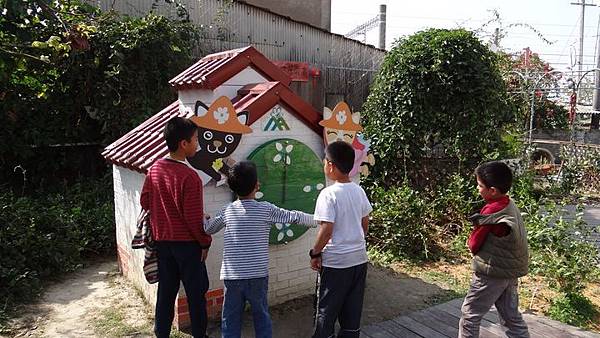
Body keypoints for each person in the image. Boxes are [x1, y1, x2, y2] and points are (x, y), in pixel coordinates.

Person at [204, 160, 317, 338]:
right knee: (261, 315)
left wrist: (205, 218)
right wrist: (318, 219)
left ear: (232, 187)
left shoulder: (228, 211)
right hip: (257, 276)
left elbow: (209, 229)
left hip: (233, 277)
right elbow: (293, 217)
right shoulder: (266, 210)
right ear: (257, 185)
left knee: (230, 319)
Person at [140, 117, 212, 338]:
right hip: (188, 247)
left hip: (163, 244)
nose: (197, 144)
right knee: (196, 295)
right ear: (183, 143)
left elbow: (145, 201)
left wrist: (165, 212)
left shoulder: (154, 169)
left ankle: (161, 334)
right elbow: (191, 220)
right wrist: (205, 242)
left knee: (166, 294)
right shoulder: (190, 177)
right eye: (195, 139)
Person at [459, 161, 530, 338]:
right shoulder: (508, 203)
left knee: (470, 315)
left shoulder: (491, 211)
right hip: (509, 272)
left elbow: (474, 244)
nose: (477, 188)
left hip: (491, 273)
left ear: (492, 190)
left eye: (480, 185)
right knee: (511, 317)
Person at [310, 141, 372, 338]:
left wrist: (315, 252)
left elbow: (327, 229)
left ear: (330, 165)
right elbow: (365, 224)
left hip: (336, 263)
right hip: (359, 260)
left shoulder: (328, 194)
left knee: (326, 311)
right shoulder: (358, 190)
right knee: (352, 311)